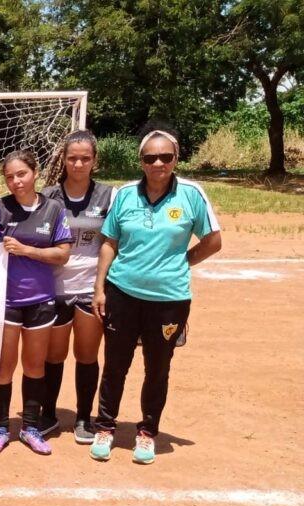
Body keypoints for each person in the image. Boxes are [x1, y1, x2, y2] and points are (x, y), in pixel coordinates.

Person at [90, 129, 221, 464]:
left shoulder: (191, 194)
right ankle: (105, 427)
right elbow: (109, 242)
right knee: (115, 365)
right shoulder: (125, 195)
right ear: (141, 161)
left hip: (169, 300)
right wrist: (100, 288)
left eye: (165, 157)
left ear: (176, 159)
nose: (158, 163)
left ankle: (147, 432)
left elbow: (212, 241)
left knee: (157, 368)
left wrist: (181, 262)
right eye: (150, 158)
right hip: (122, 293)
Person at [0, 150, 73, 456]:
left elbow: (62, 254)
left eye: (21, 174)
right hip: (6, 300)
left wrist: (26, 250)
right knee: (3, 368)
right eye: (9, 177)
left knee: (35, 366)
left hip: (41, 300)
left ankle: (30, 427)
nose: (16, 181)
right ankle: (0, 428)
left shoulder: (53, 209)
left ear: (35, 173)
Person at [40, 130, 115, 444]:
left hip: (89, 288)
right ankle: (48, 413)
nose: (78, 164)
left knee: (86, 355)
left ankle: (84, 416)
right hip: (54, 287)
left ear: (94, 160)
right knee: (53, 355)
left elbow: (113, 241)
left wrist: (102, 287)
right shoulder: (48, 196)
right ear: (64, 159)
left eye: (85, 158)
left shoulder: (109, 195)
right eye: (72, 158)